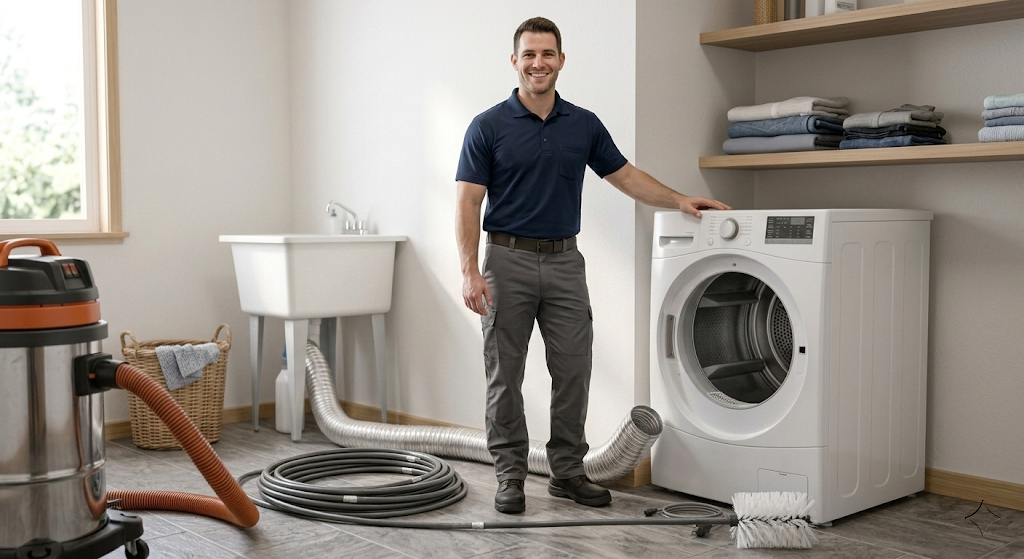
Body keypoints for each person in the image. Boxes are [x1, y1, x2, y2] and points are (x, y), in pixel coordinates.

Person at [455, 17, 730, 514]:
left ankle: (567, 472)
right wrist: (469, 270)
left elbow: (624, 176)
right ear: (514, 61)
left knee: (573, 371)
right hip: (506, 261)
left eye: (547, 54)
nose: (538, 63)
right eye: (529, 54)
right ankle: (510, 476)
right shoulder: (487, 126)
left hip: (564, 262)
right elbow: (468, 202)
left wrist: (678, 200)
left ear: (561, 60)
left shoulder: (582, 124)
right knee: (505, 375)